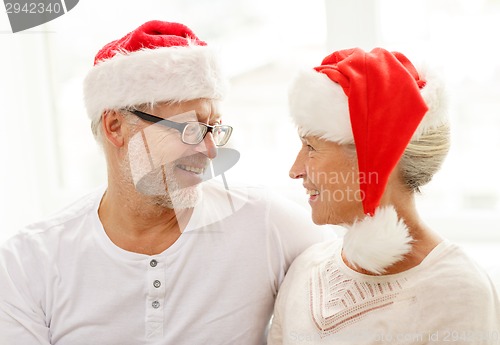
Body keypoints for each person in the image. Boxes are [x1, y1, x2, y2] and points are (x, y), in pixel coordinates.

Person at [0, 20, 327, 345]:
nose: (211, 151)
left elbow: (358, 282)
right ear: (116, 127)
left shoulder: (267, 226)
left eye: (213, 128)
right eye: (190, 129)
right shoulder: (28, 263)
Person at [267, 47, 500, 344]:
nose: (295, 170)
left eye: (311, 147)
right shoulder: (305, 269)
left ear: (375, 160)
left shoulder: (458, 292)